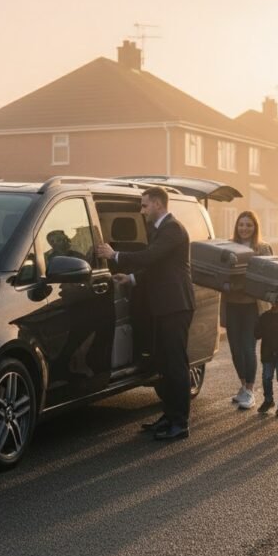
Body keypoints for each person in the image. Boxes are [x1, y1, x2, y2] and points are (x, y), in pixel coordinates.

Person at [96, 186, 195, 440]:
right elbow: (157, 266)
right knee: (163, 363)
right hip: (163, 306)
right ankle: (169, 416)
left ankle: (180, 423)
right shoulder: (159, 229)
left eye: (144, 205)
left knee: (176, 366)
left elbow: (151, 256)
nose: (141, 210)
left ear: (158, 205)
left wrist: (114, 255)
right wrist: (131, 279)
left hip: (176, 305)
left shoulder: (173, 229)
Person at [223, 211, 273, 411]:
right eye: (241, 225)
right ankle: (243, 386)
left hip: (252, 306)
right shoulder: (228, 246)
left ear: (255, 228)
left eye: (249, 225)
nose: (244, 228)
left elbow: (269, 274)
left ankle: (251, 391)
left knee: (247, 347)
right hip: (231, 304)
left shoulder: (263, 248)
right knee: (235, 348)